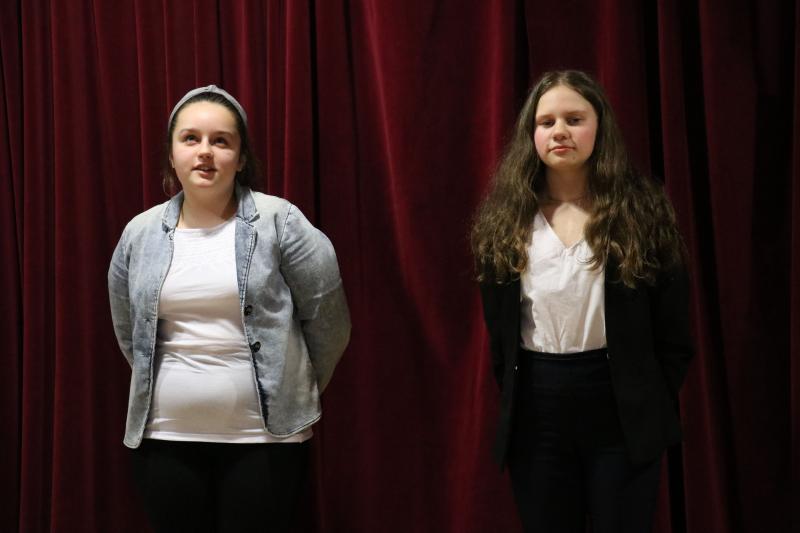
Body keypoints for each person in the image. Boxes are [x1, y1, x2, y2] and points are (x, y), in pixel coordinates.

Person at [108, 85, 351, 532]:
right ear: (172, 155)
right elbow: (130, 332)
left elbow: (329, 323)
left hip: (264, 441)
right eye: (191, 139)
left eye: (221, 141)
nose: (205, 151)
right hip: (165, 436)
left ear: (240, 159)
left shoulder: (282, 222)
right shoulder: (138, 234)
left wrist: (291, 386)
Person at [471, 70, 692, 532]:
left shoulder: (640, 211)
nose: (560, 132)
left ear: (599, 127)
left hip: (621, 407)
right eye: (546, 122)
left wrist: (645, 391)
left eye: (574, 119)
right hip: (537, 409)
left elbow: (673, 329)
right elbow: (500, 336)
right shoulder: (507, 219)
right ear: (531, 134)